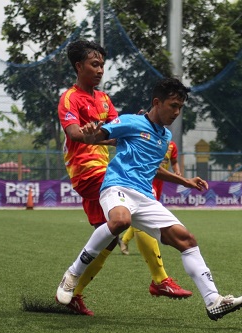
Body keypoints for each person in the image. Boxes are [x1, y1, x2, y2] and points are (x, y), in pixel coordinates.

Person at [56, 77, 242, 320]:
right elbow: (98, 136)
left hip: (145, 198)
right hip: (116, 186)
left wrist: (185, 181)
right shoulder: (130, 121)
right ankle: (72, 275)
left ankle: (214, 301)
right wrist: (91, 133)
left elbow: (153, 168)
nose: (177, 112)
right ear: (157, 103)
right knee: (120, 222)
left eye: (180, 107)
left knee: (187, 240)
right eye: (173, 105)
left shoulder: (165, 137)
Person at [57, 40, 191, 315]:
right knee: (138, 204)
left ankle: (75, 293)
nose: (100, 70)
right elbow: (73, 134)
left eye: (102, 65)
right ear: (78, 66)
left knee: (109, 237)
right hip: (87, 171)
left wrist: (134, 128)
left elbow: (119, 133)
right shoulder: (70, 98)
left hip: (107, 171)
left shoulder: (104, 99)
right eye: (94, 64)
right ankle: (160, 279)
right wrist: (92, 133)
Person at [120, 140, 181, 256]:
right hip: (148, 178)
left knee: (146, 210)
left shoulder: (173, 145)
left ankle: (124, 239)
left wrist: (177, 172)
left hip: (161, 180)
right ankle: (126, 240)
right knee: (145, 210)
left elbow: (174, 161)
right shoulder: (152, 140)